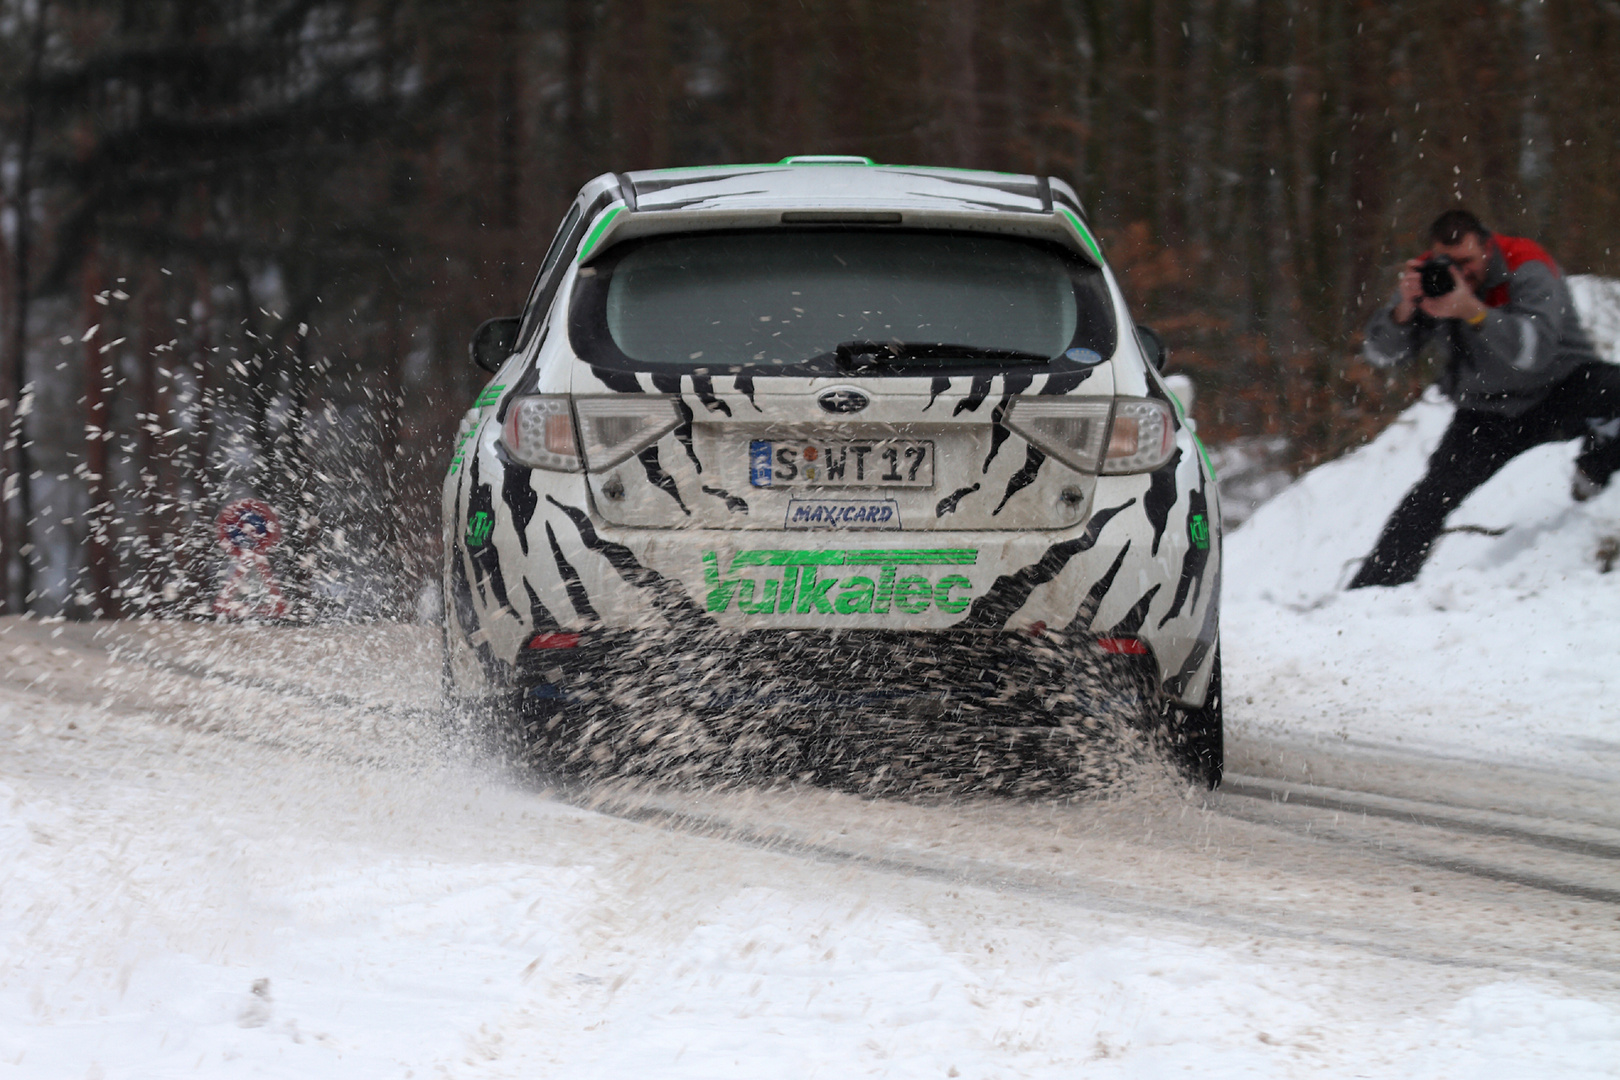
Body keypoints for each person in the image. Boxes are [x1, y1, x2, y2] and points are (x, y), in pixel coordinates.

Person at [1350, 209, 1620, 589]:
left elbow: (1534, 353)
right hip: (1487, 413)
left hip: (1561, 389)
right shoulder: (1432, 277)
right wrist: (1404, 309)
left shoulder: (1527, 265)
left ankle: (1594, 470)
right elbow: (1381, 355)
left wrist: (1473, 311)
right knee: (1427, 501)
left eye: (1468, 262)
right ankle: (1366, 598)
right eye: (1450, 262)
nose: (1461, 273)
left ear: (1488, 248)